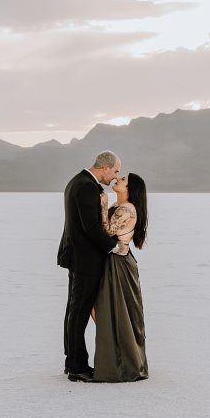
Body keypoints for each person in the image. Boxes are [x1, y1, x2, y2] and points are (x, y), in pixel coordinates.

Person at [57, 151, 122, 383]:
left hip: (77, 256)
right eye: (115, 171)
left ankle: (71, 362)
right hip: (85, 259)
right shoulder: (85, 186)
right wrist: (114, 246)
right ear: (104, 167)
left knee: (74, 311)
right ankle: (77, 367)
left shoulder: (78, 181)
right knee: (79, 312)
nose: (116, 177)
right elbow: (90, 228)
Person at [92, 173, 149, 382]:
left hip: (118, 264)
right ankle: (119, 362)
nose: (118, 179)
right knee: (112, 311)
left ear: (130, 188)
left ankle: (121, 366)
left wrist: (103, 202)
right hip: (115, 260)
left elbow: (106, 231)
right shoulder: (121, 206)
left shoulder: (126, 209)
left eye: (123, 179)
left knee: (117, 312)